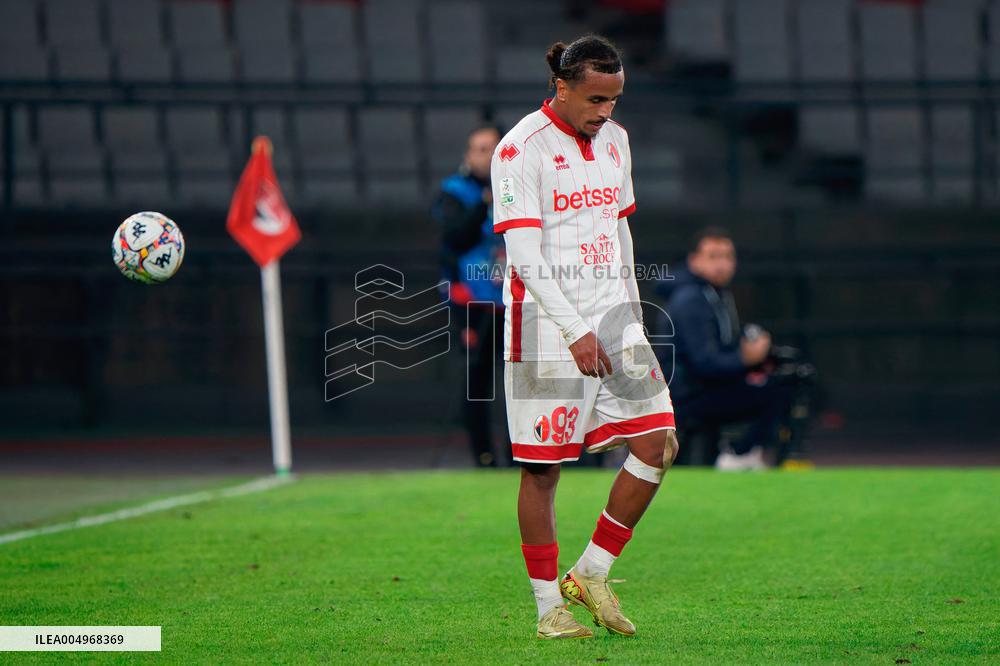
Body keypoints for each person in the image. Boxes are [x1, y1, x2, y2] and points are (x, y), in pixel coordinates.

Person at [492, 35, 678, 640]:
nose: (605, 112)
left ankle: (592, 571)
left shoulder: (616, 141)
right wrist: (573, 331)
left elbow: (621, 233)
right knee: (543, 472)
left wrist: (631, 312)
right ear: (562, 88)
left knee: (659, 445)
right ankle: (549, 608)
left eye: (615, 100)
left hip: (613, 318)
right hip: (545, 327)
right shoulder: (519, 149)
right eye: (595, 99)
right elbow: (522, 254)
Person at [657, 226, 786, 470]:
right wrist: (746, 359)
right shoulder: (690, 299)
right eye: (713, 256)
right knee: (774, 391)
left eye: (727, 256)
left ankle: (743, 453)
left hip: (703, 388)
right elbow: (704, 363)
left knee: (783, 380)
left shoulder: (714, 294)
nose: (722, 264)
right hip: (687, 396)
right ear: (694, 260)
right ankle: (740, 454)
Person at [432, 124, 508, 467]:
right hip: (472, 303)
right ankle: (484, 456)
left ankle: (521, 454)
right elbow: (454, 240)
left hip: (513, 299)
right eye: (479, 149)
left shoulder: (516, 187)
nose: (486, 155)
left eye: (492, 148)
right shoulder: (454, 192)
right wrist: (484, 204)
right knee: (477, 380)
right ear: (468, 155)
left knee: (520, 381)